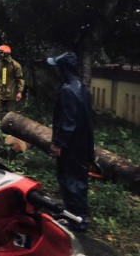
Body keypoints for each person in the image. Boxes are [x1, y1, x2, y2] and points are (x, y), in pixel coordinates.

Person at [47, 51, 94, 232]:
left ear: (63, 69)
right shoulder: (82, 87)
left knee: (68, 180)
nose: (56, 71)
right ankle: (81, 216)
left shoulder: (67, 90)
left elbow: (68, 122)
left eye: (58, 67)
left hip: (71, 145)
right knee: (79, 181)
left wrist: (57, 142)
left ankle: (76, 220)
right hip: (83, 143)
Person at [0, 44, 25, 116]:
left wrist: (20, 92)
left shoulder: (16, 65)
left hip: (11, 91)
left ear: (6, 54)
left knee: (10, 112)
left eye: (0, 53)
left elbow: (20, 79)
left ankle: (9, 126)